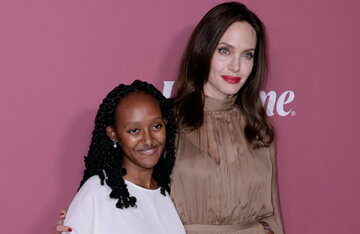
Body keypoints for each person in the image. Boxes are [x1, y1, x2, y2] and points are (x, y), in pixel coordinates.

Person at [56, 2, 284, 233]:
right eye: (224, 50)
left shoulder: (260, 128)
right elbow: (124, 190)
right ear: (203, 50)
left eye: (247, 55)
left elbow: (274, 216)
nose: (236, 66)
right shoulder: (165, 122)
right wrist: (82, 220)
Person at [58, 80, 185, 234]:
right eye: (134, 131)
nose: (149, 140)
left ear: (166, 124)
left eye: (156, 126)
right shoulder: (96, 192)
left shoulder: (167, 195)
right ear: (114, 134)